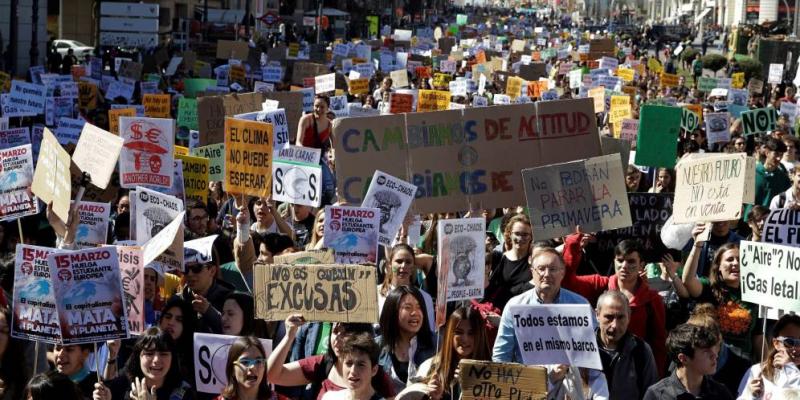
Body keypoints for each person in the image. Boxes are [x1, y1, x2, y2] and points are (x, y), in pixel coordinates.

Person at [562, 236, 668, 376]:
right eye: (620, 260)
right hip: (599, 366)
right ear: (614, 261)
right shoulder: (600, 285)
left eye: (631, 261)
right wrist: (573, 244)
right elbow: (566, 282)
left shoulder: (652, 299)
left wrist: (655, 378)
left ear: (641, 265)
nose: (624, 266)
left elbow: (659, 342)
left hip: (634, 371)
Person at [493, 247, 591, 363]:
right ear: (532, 272)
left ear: (562, 272)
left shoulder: (580, 305)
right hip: (529, 378)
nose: (547, 274)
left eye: (553, 269)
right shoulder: (515, 307)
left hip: (569, 376)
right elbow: (501, 356)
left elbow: (589, 353)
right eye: (541, 269)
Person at [267, 314, 396, 400]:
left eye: (345, 332)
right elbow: (272, 375)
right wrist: (289, 336)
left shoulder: (378, 376)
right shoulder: (323, 363)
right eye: (335, 331)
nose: (337, 338)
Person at [682, 239, 761, 360]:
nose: (735, 263)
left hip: (742, 362)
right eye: (730, 259)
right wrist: (697, 245)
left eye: (740, 260)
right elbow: (688, 281)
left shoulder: (755, 295)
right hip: (712, 360)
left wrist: (766, 366)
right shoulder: (708, 288)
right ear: (718, 266)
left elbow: (758, 337)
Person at [399, 305, 492, 400]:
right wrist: (433, 397)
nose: (465, 339)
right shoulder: (429, 368)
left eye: (471, 333)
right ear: (449, 334)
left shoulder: (494, 372)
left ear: (480, 336)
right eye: (458, 332)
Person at [92, 327, 195, 400]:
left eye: (163, 354)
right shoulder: (120, 387)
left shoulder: (184, 393)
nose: (156, 360)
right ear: (138, 357)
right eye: (149, 353)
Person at [595, 291, 658, 399]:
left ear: (629, 317)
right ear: (597, 315)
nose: (614, 325)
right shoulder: (583, 349)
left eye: (620, 318)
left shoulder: (641, 351)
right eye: (609, 317)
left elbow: (651, 394)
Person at [644, 324, 733, 399]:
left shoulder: (721, 393)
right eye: (706, 351)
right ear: (684, 358)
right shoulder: (657, 395)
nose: (715, 355)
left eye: (713, 349)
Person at [377, 286, 436, 392]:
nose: (415, 313)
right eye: (408, 307)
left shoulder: (436, 344)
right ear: (392, 311)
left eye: (419, 307)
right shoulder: (376, 347)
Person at [738, 314, 800, 399]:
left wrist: (790, 369)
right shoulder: (757, 371)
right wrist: (750, 395)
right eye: (789, 342)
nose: (796, 348)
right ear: (776, 343)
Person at [378, 244, 435, 332]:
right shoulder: (374, 293)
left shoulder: (425, 298)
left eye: (408, 262)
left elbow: (429, 333)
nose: (403, 265)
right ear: (389, 264)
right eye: (399, 261)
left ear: (413, 267)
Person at [484, 214, 533, 310]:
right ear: (510, 234)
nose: (520, 238)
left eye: (525, 234)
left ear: (531, 236)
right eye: (517, 234)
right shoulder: (497, 258)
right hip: (496, 313)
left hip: (522, 314)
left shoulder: (535, 261)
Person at [179, 247, 234, 333]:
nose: (189, 274)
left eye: (196, 268)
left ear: (212, 271)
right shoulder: (177, 300)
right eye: (185, 269)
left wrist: (209, 312)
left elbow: (234, 333)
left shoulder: (230, 300)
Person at [296, 94, 335, 206]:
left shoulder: (329, 124)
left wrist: (333, 157)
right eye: (316, 106)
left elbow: (334, 146)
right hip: (304, 159)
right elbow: (299, 141)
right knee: (302, 189)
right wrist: (304, 152)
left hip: (319, 159)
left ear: (328, 108)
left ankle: (321, 209)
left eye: (322, 107)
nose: (319, 109)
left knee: (329, 188)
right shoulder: (306, 119)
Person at [319, 333, 384, 400]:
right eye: (349, 363)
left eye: (361, 365)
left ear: (374, 370)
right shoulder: (330, 397)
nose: (353, 371)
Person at [748, 138, 791, 217]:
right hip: (751, 222)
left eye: (781, 155)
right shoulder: (751, 173)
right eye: (776, 154)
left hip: (773, 223)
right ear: (767, 152)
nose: (779, 158)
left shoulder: (783, 177)